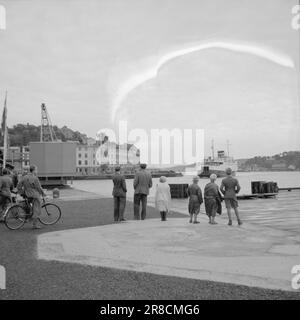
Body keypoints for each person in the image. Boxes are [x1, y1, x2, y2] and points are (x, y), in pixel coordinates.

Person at [17, 165, 46, 229]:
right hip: (35, 195)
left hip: (27, 194)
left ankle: (29, 217)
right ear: (34, 170)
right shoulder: (35, 178)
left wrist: (22, 192)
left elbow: (18, 186)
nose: (37, 171)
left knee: (30, 207)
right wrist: (43, 193)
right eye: (36, 170)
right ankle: (35, 225)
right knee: (37, 209)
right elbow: (38, 187)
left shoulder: (24, 177)